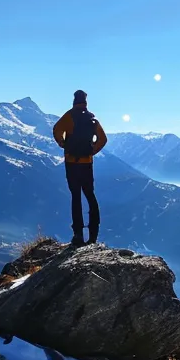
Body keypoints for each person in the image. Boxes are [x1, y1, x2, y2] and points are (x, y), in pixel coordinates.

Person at [51, 89, 107, 246]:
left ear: (74, 100)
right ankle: (93, 234)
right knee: (90, 195)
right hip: (87, 163)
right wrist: (92, 151)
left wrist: (63, 144)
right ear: (86, 101)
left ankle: (78, 235)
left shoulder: (69, 116)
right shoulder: (92, 118)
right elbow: (103, 139)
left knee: (76, 197)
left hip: (71, 163)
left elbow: (56, 130)